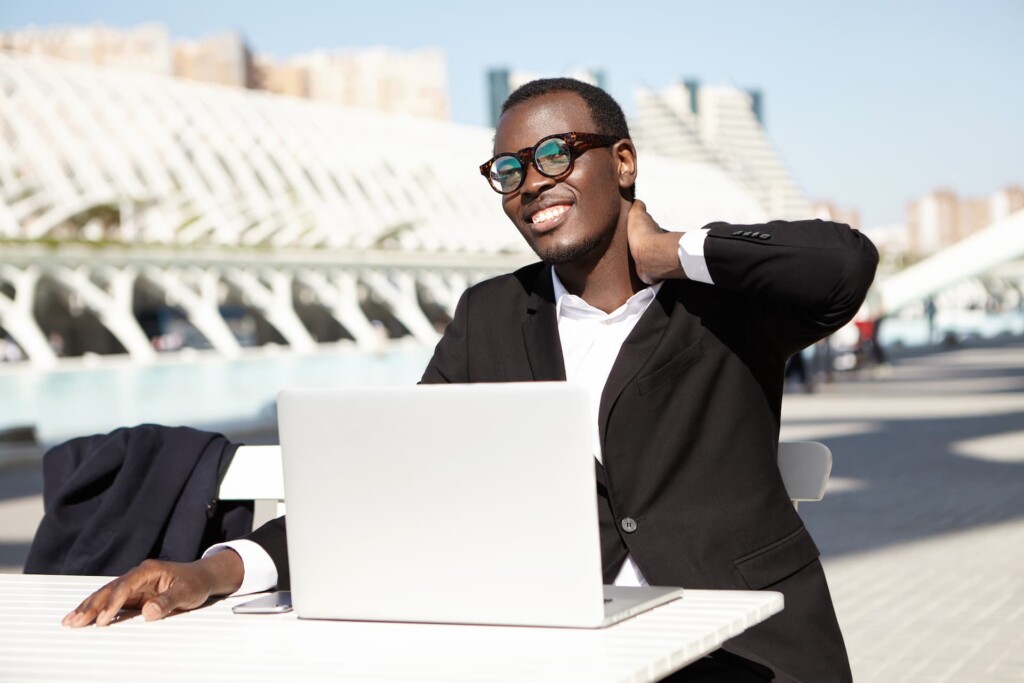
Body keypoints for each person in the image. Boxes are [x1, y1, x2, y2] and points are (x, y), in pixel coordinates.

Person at [63, 78, 877, 682]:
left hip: (748, 648)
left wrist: (666, 253)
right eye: (508, 169)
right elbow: (391, 484)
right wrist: (217, 569)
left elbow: (842, 266)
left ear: (623, 161)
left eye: (556, 153)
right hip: (568, 652)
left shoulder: (724, 303)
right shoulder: (491, 316)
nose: (530, 183)